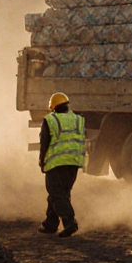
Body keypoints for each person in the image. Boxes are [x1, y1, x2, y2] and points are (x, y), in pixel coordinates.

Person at [39, 92, 86, 238]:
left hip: (56, 162)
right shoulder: (78, 119)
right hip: (74, 162)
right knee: (61, 193)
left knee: (56, 193)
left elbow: (44, 143)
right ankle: (51, 224)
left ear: (53, 107)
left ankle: (70, 222)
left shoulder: (50, 120)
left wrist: (41, 160)